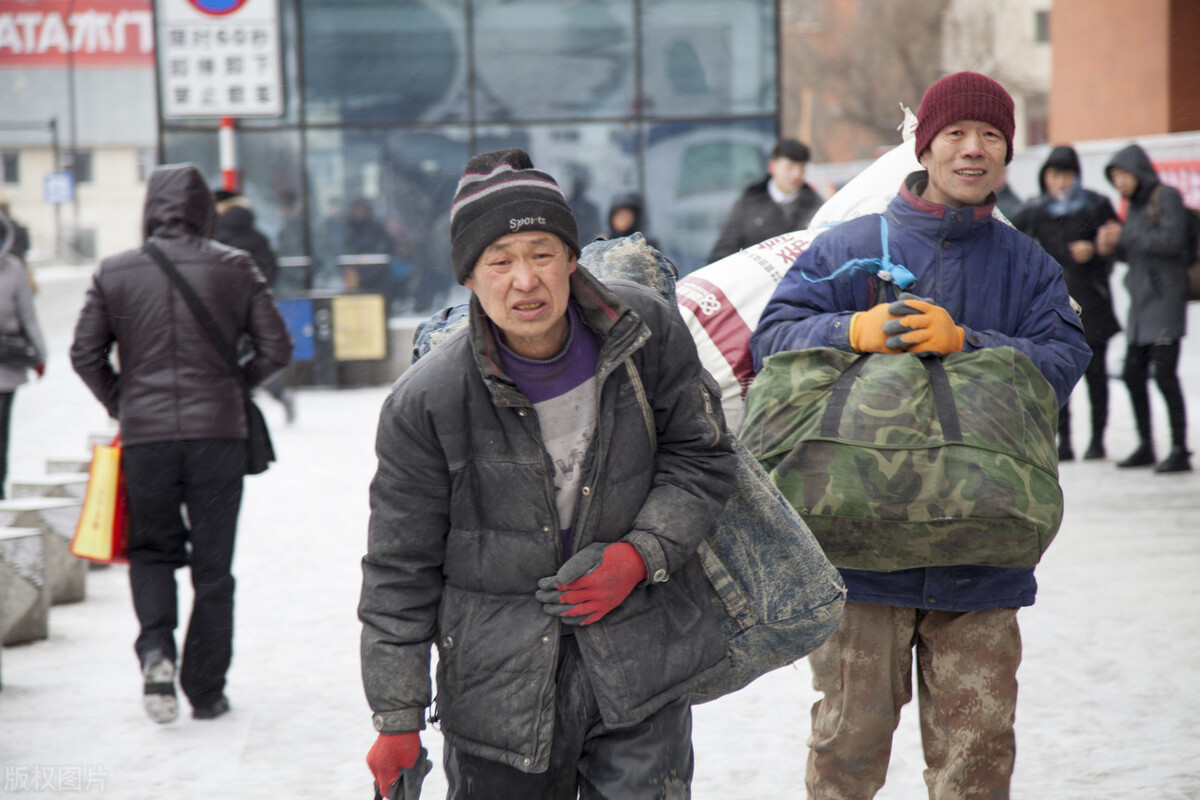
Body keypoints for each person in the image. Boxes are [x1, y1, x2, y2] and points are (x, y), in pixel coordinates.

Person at [750, 72, 1090, 798]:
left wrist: (969, 343)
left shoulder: (1028, 265)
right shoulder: (851, 246)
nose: (974, 151)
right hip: (859, 553)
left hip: (982, 552)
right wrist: (853, 329)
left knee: (978, 758)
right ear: (925, 145)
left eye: (991, 137)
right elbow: (771, 342)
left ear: (1007, 152)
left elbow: (1063, 362)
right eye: (957, 135)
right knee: (847, 748)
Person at [359, 148, 738, 799]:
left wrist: (640, 553)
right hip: (497, 694)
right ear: (470, 279)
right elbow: (400, 566)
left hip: (638, 665)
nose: (525, 280)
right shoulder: (427, 401)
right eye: (499, 262)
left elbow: (701, 458)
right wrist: (396, 718)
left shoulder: (645, 331)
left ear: (571, 258)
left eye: (540, 253)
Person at [70, 163, 292, 725]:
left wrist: (123, 400)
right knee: (214, 568)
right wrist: (231, 386)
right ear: (203, 209)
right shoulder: (235, 267)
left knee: (150, 554)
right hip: (218, 437)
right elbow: (277, 347)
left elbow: (84, 353)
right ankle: (206, 689)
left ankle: (155, 654)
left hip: (146, 439)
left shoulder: (115, 271)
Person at [1013, 145, 1121, 461]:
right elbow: (1009, 238)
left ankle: (1097, 440)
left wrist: (1097, 251)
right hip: (1056, 306)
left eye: (1067, 175)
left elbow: (1118, 246)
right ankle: (1065, 442)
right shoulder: (1035, 210)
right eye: (1054, 175)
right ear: (1044, 177)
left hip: (1093, 302)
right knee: (1058, 373)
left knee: (1097, 375)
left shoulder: (1096, 205)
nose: (1061, 182)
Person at [1097, 143, 1192, 473]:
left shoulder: (1165, 196)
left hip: (1165, 302)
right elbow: (1134, 251)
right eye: (1115, 177)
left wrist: (1126, 234)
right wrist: (1112, 246)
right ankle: (1146, 444)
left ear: (1139, 171)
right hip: (1140, 305)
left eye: (1124, 174)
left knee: (1164, 375)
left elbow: (1172, 240)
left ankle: (1179, 447)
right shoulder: (1133, 206)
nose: (1120, 182)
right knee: (1131, 373)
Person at [214, 189, 296, 424]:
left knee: (228, 354)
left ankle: (239, 400)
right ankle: (275, 392)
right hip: (257, 304)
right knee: (257, 352)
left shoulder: (217, 237)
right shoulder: (258, 236)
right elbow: (271, 268)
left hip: (225, 307)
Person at [707, 138, 823, 262]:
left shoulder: (815, 204)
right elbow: (723, 251)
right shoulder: (750, 202)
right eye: (790, 167)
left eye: (801, 168)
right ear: (772, 167)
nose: (796, 174)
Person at [0, 209, 46, 499]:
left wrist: (40, 355)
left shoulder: (14, 268)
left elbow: (29, 318)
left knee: (2, 429)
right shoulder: (14, 268)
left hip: (6, 363)